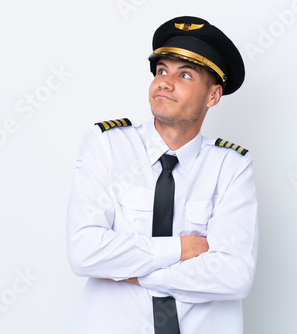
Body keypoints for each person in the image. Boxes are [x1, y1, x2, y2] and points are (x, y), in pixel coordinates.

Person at [66, 16, 258, 334]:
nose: (164, 82)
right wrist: (182, 249)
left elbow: (234, 274)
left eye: (184, 74)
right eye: (161, 70)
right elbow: (84, 251)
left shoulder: (231, 166)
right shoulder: (108, 145)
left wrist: (132, 271)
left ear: (213, 96)